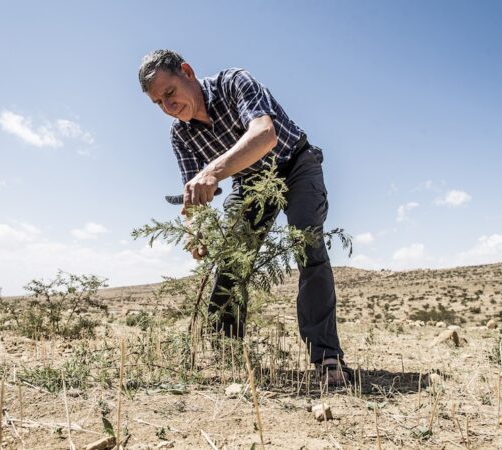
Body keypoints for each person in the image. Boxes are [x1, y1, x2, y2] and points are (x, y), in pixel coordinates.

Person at [138, 49, 352, 384]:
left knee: (307, 248)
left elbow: (264, 135)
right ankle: (228, 355)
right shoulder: (181, 135)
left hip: (295, 164)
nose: (169, 106)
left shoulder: (233, 82)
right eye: (158, 103)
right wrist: (195, 229)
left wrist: (213, 171)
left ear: (187, 72)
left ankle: (327, 358)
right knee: (231, 260)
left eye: (169, 93)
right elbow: (193, 193)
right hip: (249, 183)